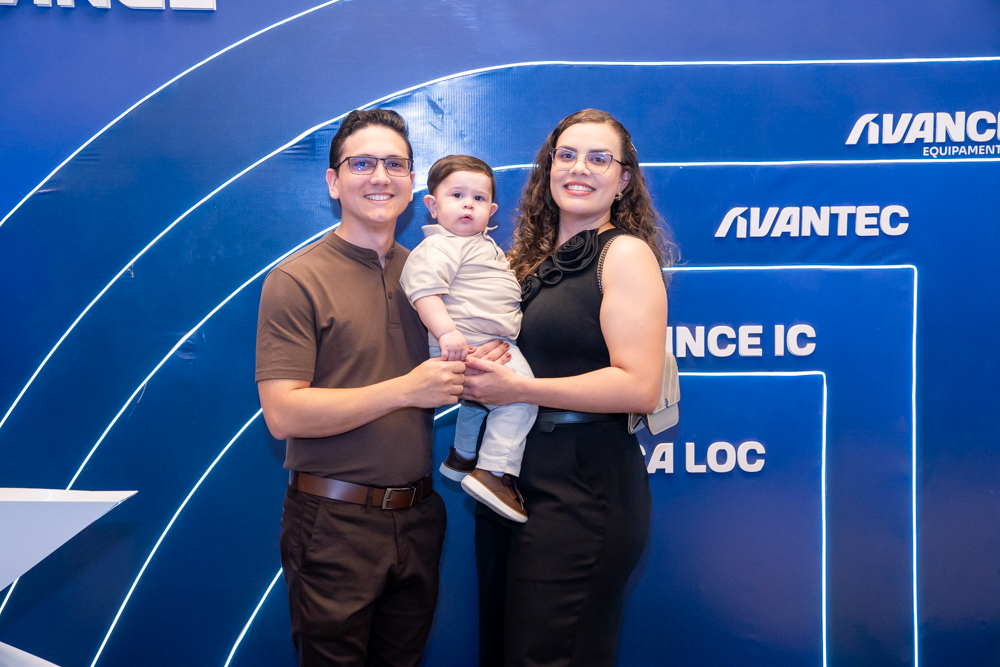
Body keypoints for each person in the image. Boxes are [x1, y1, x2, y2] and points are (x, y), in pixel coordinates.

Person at [254, 108, 510, 667]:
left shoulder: (434, 273)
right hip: (332, 523)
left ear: (413, 183)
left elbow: (457, 368)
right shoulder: (296, 280)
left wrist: (484, 365)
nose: (380, 176)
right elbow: (283, 415)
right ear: (333, 181)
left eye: (395, 164)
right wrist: (405, 390)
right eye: (362, 163)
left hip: (419, 518)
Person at [462, 109, 676, 667]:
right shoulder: (525, 262)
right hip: (513, 480)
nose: (580, 168)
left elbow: (638, 387)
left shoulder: (624, 254)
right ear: (549, 167)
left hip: (584, 486)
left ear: (624, 179)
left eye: (599, 158)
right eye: (567, 155)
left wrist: (517, 389)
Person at [400, 155, 538, 523]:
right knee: (522, 399)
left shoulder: (481, 244)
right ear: (432, 206)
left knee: (477, 403)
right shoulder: (440, 246)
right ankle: (492, 471)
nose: (467, 205)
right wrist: (448, 333)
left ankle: (462, 457)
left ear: (491, 211)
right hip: (469, 341)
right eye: (457, 195)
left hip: (483, 341)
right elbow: (424, 292)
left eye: (478, 199)